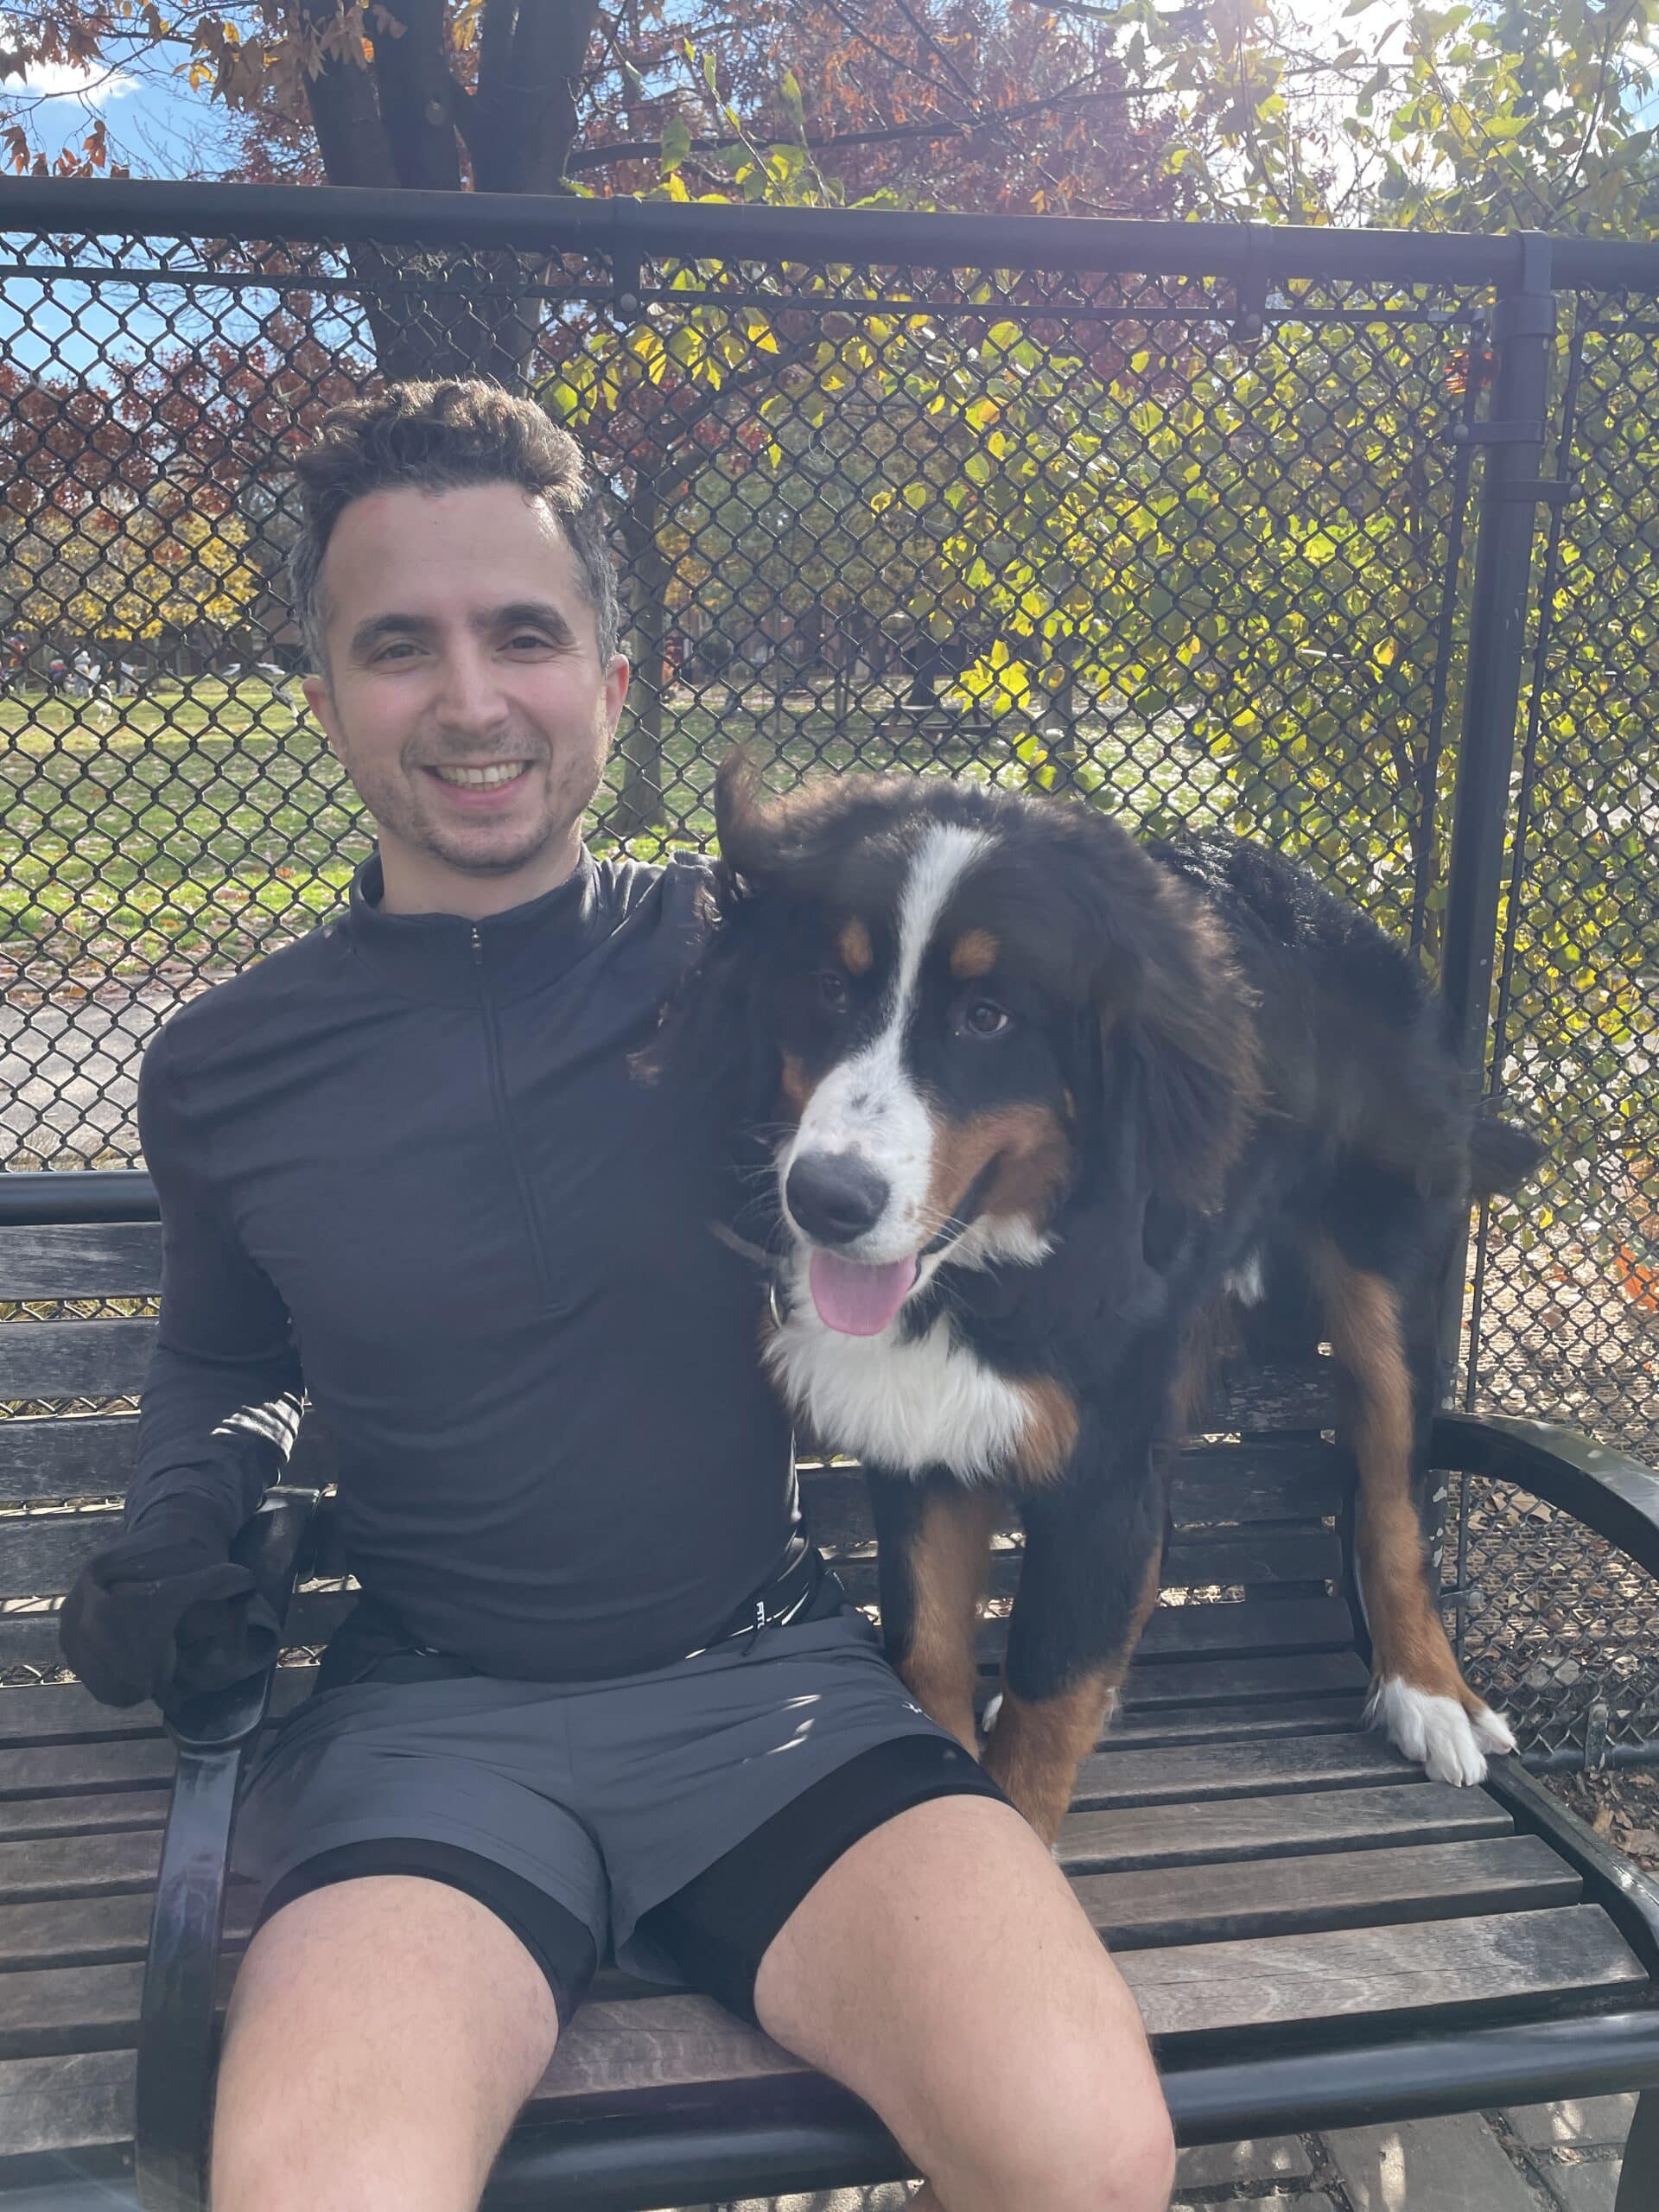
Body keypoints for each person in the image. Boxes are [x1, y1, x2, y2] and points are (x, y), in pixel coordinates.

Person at [57, 380, 1176, 2212]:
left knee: (1090, 2154)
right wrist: (177, 1531)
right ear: (323, 694)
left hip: (773, 1697)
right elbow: (220, 1354)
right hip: (430, 1736)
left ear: (611, 678)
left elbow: (1044, 986)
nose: (471, 699)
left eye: (525, 634)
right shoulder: (223, 1065)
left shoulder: (763, 970)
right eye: (398, 644)